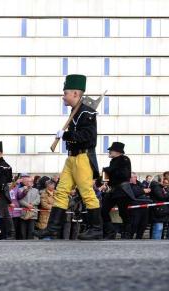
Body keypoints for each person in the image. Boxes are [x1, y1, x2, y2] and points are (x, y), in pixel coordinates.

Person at [36, 74, 103, 240]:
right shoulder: (76, 111)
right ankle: (52, 228)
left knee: (87, 192)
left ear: (75, 94)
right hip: (71, 158)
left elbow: (88, 136)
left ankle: (96, 228)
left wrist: (66, 135)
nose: (63, 96)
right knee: (61, 191)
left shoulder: (86, 112)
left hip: (82, 157)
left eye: (65, 93)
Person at [100, 142, 132, 239]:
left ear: (117, 152)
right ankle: (110, 232)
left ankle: (127, 233)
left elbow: (124, 175)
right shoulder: (113, 161)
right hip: (113, 190)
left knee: (123, 212)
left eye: (111, 150)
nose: (109, 152)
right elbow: (109, 174)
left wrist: (109, 170)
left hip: (122, 190)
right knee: (103, 210)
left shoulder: (124, 159)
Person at [11, 175, 40, 240]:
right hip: (23, 213)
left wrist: (32, 204)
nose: (29, 183)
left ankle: (30, 242)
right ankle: (22, 242)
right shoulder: (20, 189)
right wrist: (27, 205)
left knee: (31, 230)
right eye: (27, 181)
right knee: (22, 231)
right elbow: (19, 200)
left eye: (30, 181)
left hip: (32, 213)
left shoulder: (36, 190)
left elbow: (38, 200)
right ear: (25, 182)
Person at [149, 174, 169, 239]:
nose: (165, 182)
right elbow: (161, 197)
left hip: (161, 211)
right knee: (158, 229)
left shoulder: (160, 187)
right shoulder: (156, 186)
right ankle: (154, 245)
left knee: (160, 229)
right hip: (158, 211)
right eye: (164, 180)